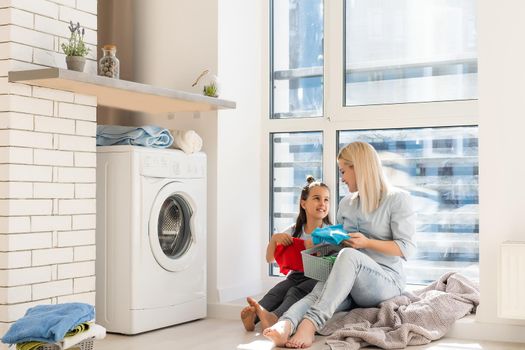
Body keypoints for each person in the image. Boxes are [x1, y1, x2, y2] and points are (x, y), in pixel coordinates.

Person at [263, 141, 416, 348]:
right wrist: (317, 243)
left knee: (348, 257)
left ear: (358, 168)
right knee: (321, 289)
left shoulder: (397, 199)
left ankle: (309, 325)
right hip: (351, 279)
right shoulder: (346, 203)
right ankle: (286, 324)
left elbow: (406, 248)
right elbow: (339, 242)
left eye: (343, 171)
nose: (341, 178)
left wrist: (367, 242)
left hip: (385, 280)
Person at [241, 176, 332, 331]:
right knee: (277, 292)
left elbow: (334, 261)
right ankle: (253, 317)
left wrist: (315, 249)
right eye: (317, 198)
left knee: (293, 292)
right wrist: (274, 240)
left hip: (317, 278)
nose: (322, 203)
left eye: (326, 200)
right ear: (304, 203)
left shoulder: (330, 232)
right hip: (296, 275)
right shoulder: (294, 231)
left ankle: (274, 317)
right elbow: (269, 258)